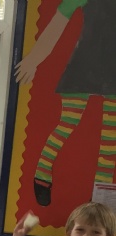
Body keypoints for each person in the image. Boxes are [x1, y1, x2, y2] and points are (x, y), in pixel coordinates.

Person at [15, 0, 116, 206]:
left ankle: (99, 198)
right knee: (68, 123)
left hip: (112, 74)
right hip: (83, 68)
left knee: (111, 136)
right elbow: (58, 23)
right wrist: (34, 59)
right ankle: (42, 172)